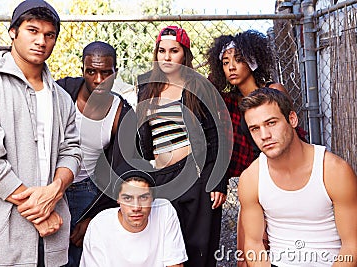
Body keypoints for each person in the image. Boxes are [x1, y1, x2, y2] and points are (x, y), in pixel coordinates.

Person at [0, 0, 82, 266]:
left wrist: (56, 191)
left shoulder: (61, 98)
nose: (41, 41)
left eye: (49, 35)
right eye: (32, 31)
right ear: (12, 31)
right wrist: (40, 212)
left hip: (49, 245)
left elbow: (71, 151)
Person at [206, 30, 308, 265]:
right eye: (225, 62)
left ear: (252, 61)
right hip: (253, 183)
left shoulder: (275, 91)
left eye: (239, 59)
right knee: (246, 253)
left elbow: (291, 138)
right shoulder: (230, 102)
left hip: (284, 179)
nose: (231, 67)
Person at [137, 26, 230, 267]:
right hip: (162, 179)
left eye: (174, 51)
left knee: (199, 247)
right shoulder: (147, 89)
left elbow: (217, 134)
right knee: (167, 249)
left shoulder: (198, 87)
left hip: (195, 175)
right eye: (161, 50)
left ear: (184, 54)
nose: (167, 56)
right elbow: (143, 137)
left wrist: (217, 180)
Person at [237, 87, 357, 266]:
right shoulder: (251, 178)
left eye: (271, 123)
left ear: (292, 119)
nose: (264, 135)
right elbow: (254, 244)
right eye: (255, 128)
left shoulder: (334, 171)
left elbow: (352, 246)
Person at [56, 41, 137, 266]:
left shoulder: (121, 113)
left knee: (82, 255)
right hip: (51, 184)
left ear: (115, 72)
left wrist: (95, 215)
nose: (99, 80)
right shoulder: (61, 93)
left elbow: (122, 169)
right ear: (82, 70)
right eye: (91, 71)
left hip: (89, 192)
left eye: (106, 72)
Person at [79, 161, 188, 267]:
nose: (136, 207)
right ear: (117, 198)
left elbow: (175, 263)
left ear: (153, 197)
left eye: (143, 197)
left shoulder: (164, 210)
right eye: (128, 198)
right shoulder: (100, 224)